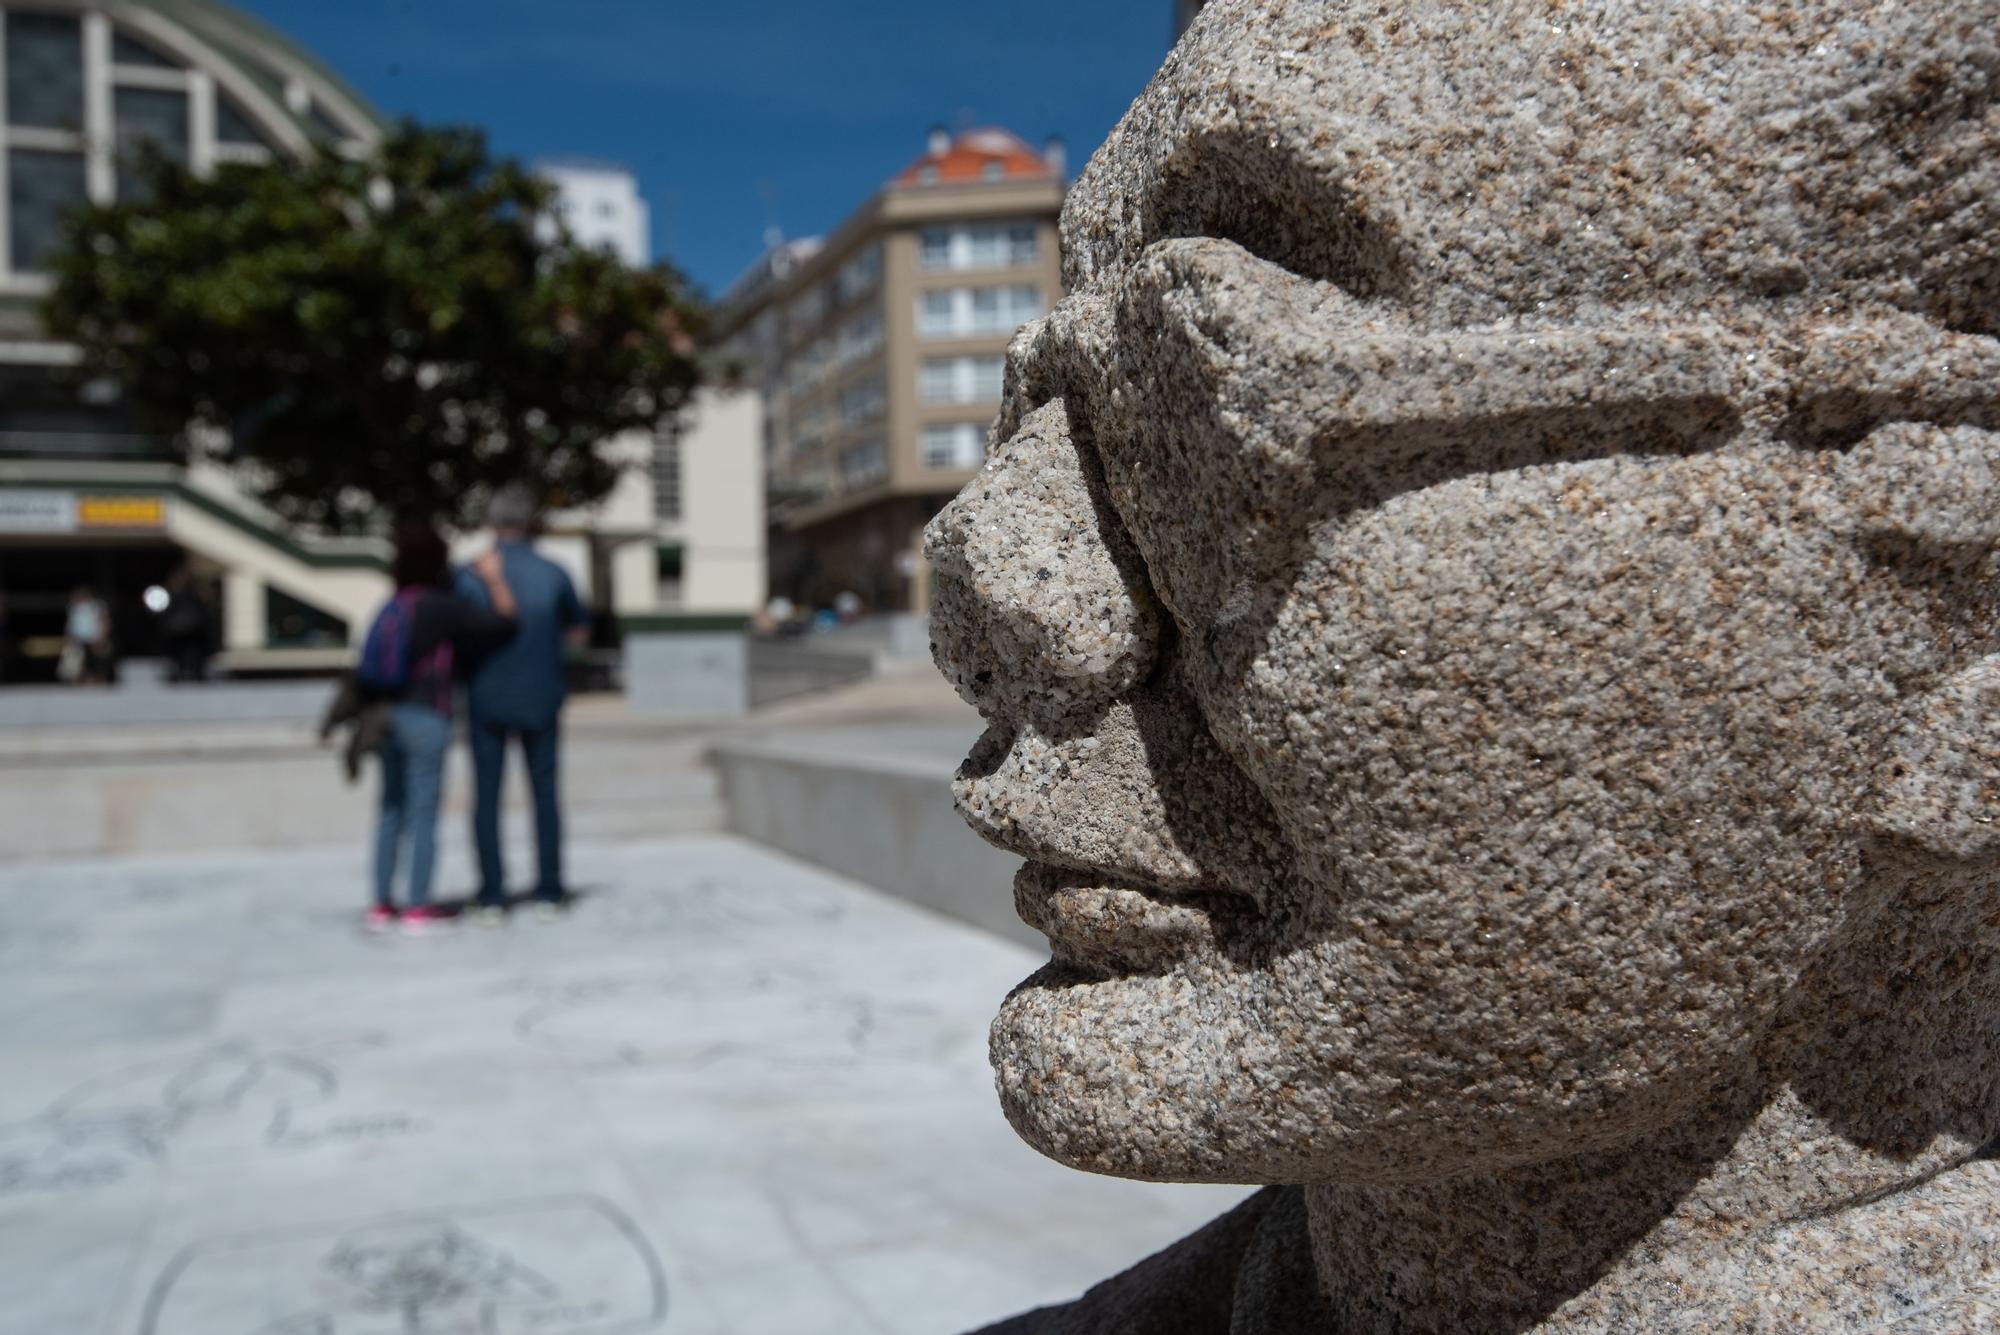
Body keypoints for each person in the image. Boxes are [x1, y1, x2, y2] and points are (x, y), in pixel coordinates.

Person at [363, 523, 517, 935]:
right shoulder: (440, 605)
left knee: (390, 811)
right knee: (424, 812)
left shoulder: (394, 604)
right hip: (426, 715)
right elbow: (503, 623)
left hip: (385, 717)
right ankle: (417, 904)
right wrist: (493, 578)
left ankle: (381, 904)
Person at [455, 486, 587, 923]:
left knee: (487, 798)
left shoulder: (469, 574)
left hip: (486, 697)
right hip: (543, 694)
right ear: (530, 523)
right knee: (545, 796)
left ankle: (492, 895)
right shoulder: (554, 572)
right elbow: (578, 632)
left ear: (491, 523)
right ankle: (549, 890)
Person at [62, 586, 111, 685]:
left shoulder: (97, 605)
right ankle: (80, 679)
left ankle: (99, 678)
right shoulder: (74, 607)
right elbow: (70, 624)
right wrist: (69, 637)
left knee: (97, 659)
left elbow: (104, 620)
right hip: (79, 639)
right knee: (75, 659)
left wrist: (103, 635)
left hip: (94, 637)